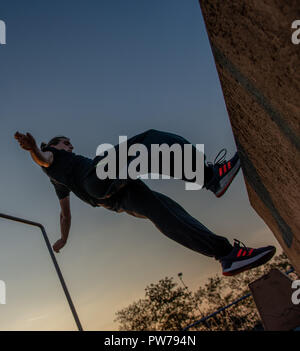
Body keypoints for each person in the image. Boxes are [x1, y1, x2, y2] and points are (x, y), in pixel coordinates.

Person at [14, 129, 275, 276]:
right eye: (66, 143)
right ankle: (212, 177)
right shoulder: (53, 158)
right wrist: (34, 149)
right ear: (55, 145)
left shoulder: (58, 180)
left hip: (111, 198)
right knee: (148, 140)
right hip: (97, 176)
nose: (71, 146)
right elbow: (43, 157)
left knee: (165, 212)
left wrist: (63, 239)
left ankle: (226, 255)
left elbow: (65, 215)